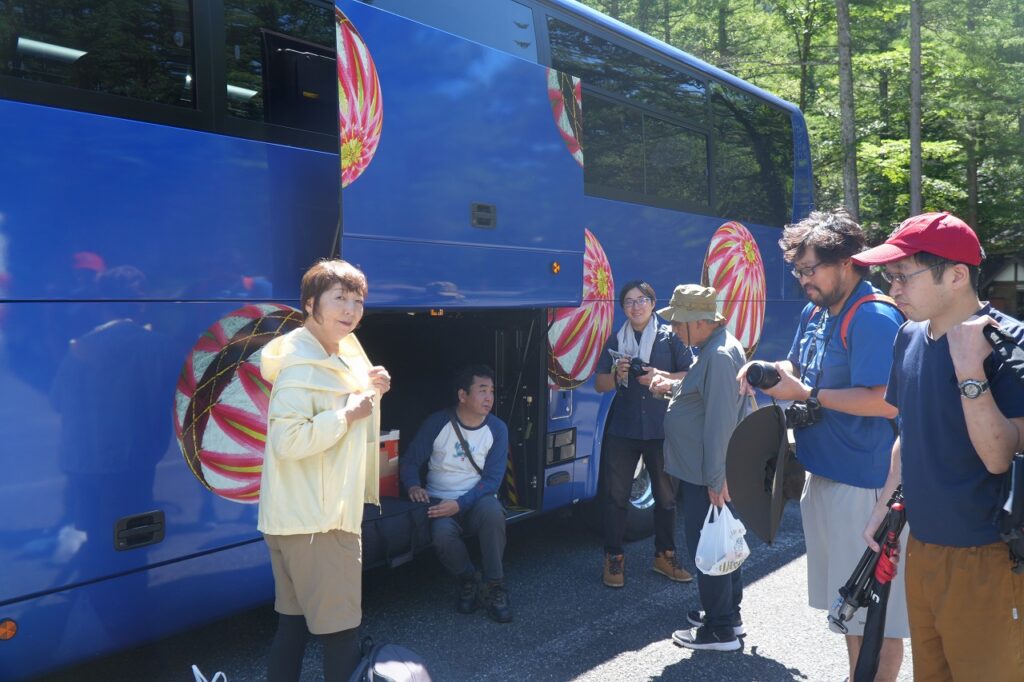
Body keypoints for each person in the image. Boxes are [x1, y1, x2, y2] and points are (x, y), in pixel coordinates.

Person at [736, 209, 908, 681]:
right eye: (798, 271)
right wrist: (766, 368)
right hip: (827, 478)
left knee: (877, 616)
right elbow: (798, 365)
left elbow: (886, 404)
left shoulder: (873, 316)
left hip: (867, 488)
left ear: (849, 262)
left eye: (810, 269)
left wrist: (809, 394)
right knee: (849, 607)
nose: (803, 281)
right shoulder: (817, 311)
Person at [856, 212, 1024, 681]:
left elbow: (999, 455)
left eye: (903, 276)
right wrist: (886, 505)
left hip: (988, 555)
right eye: (889, 278)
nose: (893, 290)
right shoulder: (908, 335)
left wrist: (970, 372)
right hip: (923, 548)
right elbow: (909, 432)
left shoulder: (1009, 343)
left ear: (955, 275)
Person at [258, 259, 391, 682]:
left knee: (293, 626)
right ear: (311, 303)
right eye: (340, 299)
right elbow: (290, 441)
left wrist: (372, 391)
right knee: (340, 635)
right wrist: (348, 413)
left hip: (295, 517)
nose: (351, 310)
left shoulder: (329, 356)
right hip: (319, 521)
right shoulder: (302, 367)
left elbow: (349, 428)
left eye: (358, 301)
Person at [649, 285, 750, 652]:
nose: (674, 329)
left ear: (701, 321)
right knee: (722, 542)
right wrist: (667, 390)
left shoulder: (719, 355)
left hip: (706, 473)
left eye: (679, 322)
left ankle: (719, 628)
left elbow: (720, 422)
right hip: (706, 470)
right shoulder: (713, 348)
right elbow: (702, 401)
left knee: (710, 548)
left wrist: (715, 478)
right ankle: (727, 615)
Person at [594, 280, 693, 587]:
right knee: (615, 498)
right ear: (623, 308)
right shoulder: (616, 340)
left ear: (652, 303)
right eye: (628, 302)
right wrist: (616, 375)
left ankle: (664, 555)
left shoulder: (670, 338)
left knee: (665, 499)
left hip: (661, 428)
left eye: (641, 300)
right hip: (623, 429)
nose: (635, 307)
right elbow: (600, 385)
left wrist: (657, 375)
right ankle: (613, 558)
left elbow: (691, 376)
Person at [400, 365, 512, 623]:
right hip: (439, 500)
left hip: (475, 500)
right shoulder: (438, 422)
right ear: (463, 395)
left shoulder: (497, 429)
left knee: (493, 513)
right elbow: (409, 461)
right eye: (482, 391)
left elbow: (492, 481)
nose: (489, 398)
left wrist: (459, 504)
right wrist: (413, 486)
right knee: (441, 535)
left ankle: (496, 585)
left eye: (492, 391)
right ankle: (470, 580)